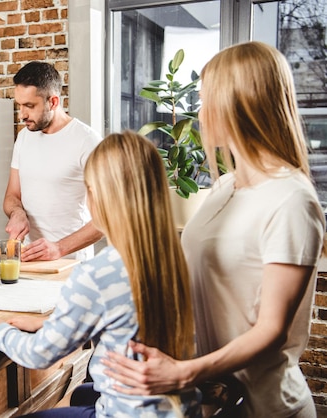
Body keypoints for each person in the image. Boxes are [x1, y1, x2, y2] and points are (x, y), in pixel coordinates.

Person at [102, 41, 326, 418]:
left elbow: (271, 330)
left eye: (207, 101)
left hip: (267, 408)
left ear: (241, 103)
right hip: (213, 400)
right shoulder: (224, 187)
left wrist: (181, 372)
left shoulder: (290, 200)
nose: (200, 115)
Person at [0, 131, 201, 417]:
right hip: (179, 410)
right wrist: (52, 325)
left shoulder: (97, 273)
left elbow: (39, 354)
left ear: (100, 197)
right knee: (80, 393)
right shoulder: (174, 257)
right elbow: (124, 323)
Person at [4, 61, 104, 261]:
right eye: (19, 106)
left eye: (30, 106)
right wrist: (17, 212)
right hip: (29, 259)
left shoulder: (88, 142)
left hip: (71, 264)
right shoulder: (24, 137)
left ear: (54, 102)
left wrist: (59, 248)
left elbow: (109, 216)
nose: (22, 114)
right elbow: (12, 195)